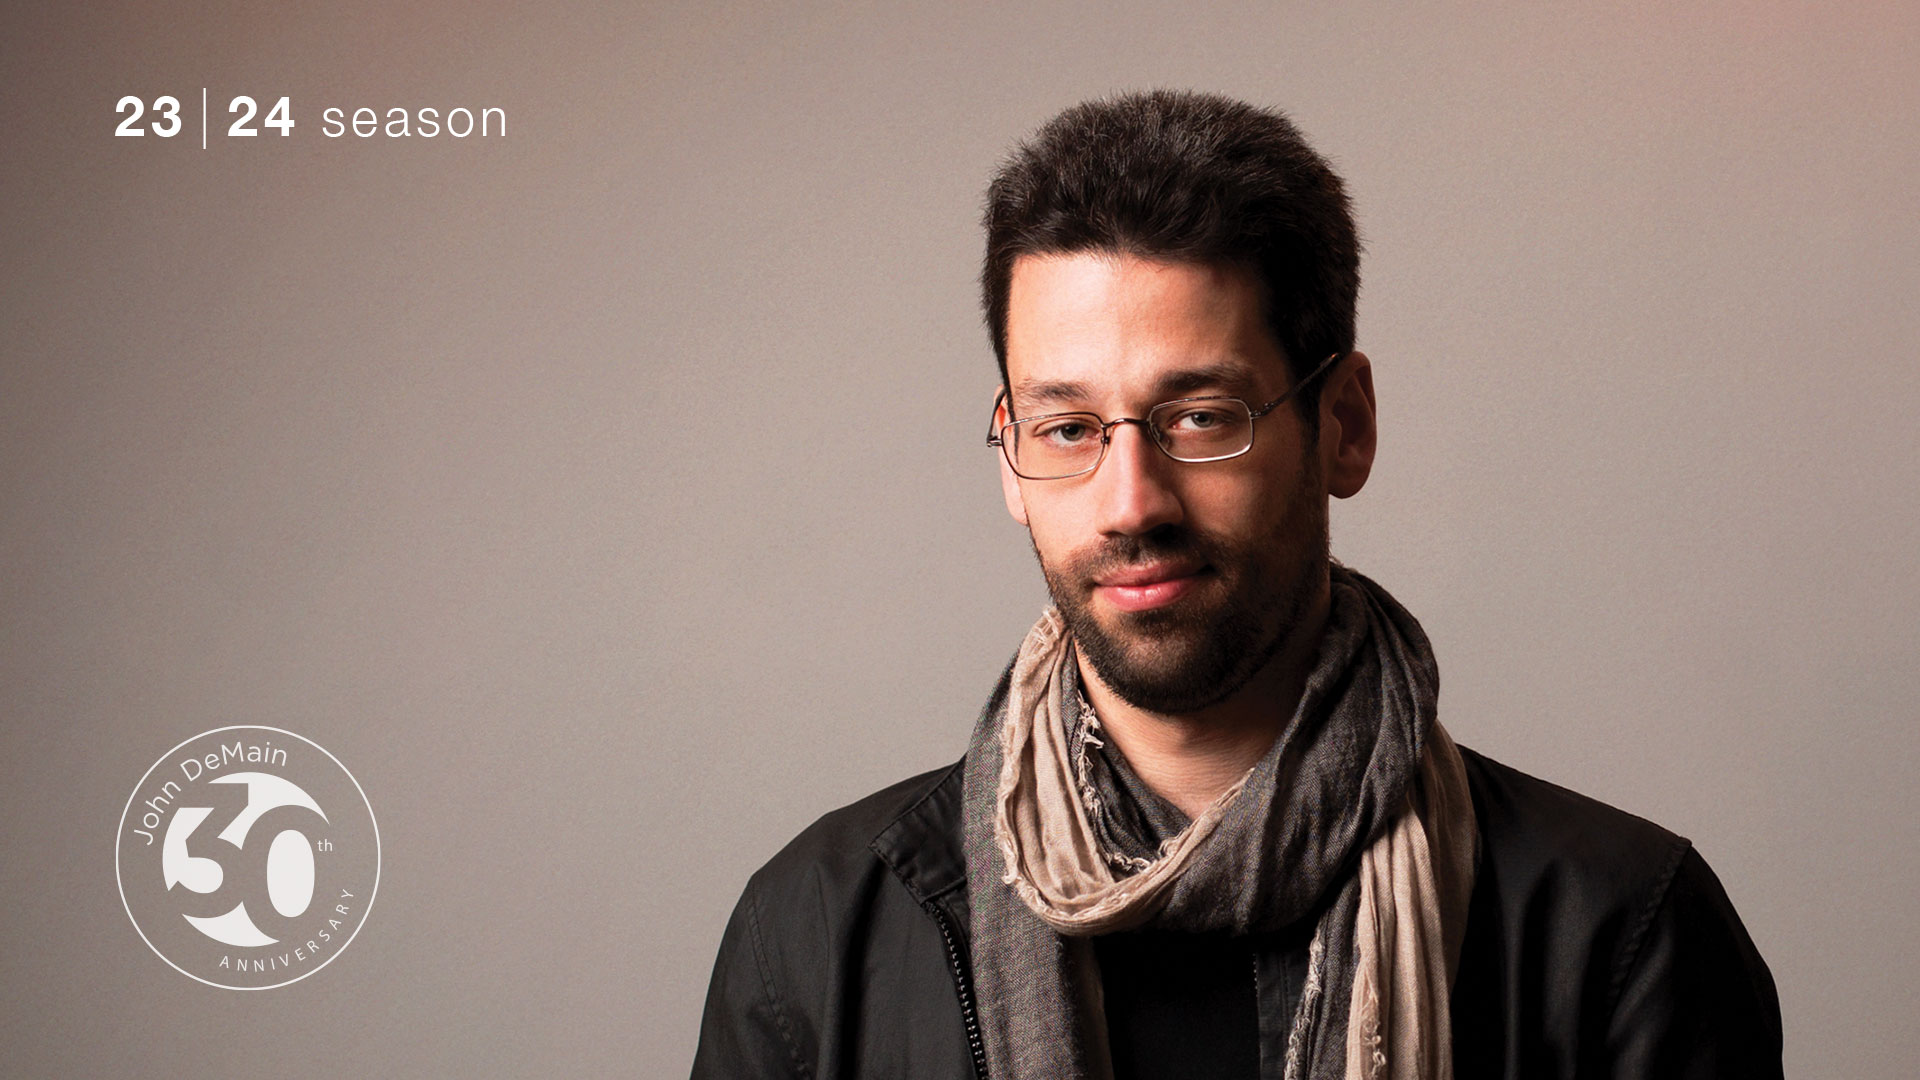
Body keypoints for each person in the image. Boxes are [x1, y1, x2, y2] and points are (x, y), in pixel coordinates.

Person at [690, 89, 1782, 1080]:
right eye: (1067, 429)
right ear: (1011, 454)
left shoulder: (1620, 934)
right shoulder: (817, 938)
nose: (1132, 500)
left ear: (1342, 427)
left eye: (1199, 418)